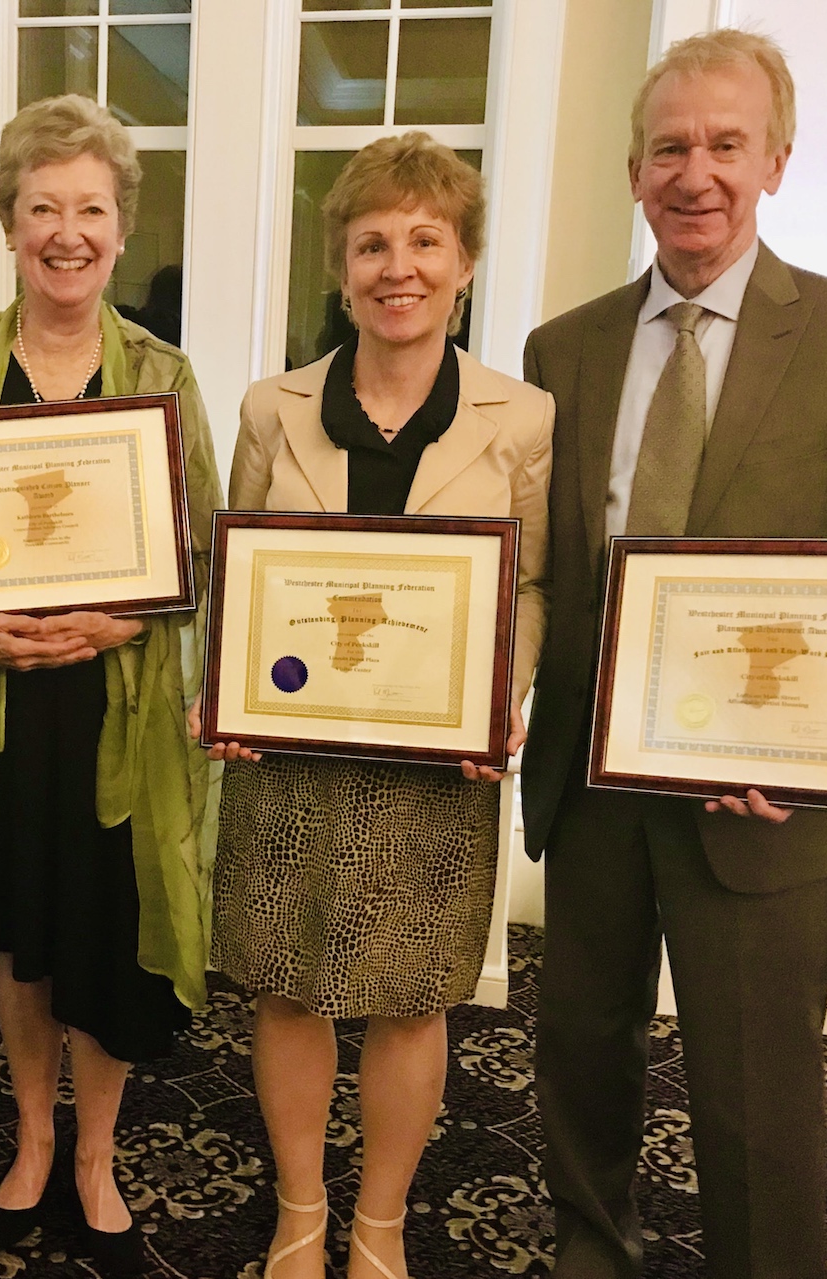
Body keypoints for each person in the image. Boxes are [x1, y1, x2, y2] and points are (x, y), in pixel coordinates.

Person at [521, 30, 827, 1279]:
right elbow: (547, 569)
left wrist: (815, 763)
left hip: (757, 792)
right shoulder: (565, 348)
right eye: (669, 146)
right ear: (635, 173)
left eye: (724, 144)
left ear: (776, 162)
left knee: (756, 1085)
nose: (694, 171)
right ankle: (594, 1248)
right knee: (582, 1049)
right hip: (592, 780)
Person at [0, 94, 223, 1275]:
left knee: (107, 944)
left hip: (115, 718)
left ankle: (96, 1155)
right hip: (0, 713)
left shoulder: (166, 378)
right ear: (9, 225)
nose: (66, 232)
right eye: (42, 208)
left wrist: (129, 611)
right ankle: (31, 1138)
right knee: (24, 941)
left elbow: (209, 555)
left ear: (122, 228)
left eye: (90, 208)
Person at [200, 134, 550, 1279]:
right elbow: (234, 570)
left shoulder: (525, 418)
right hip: (291, 759)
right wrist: (228, 689)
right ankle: (302, 1211)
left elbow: (536, 583)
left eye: (424, 240)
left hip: (437, 766)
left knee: (413, 999)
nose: (397, 266)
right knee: (287, 986)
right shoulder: (272, 408)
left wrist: (504, 695)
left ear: (463, 262)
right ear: (341, 266)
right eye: (371, 243)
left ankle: (379, 1223)